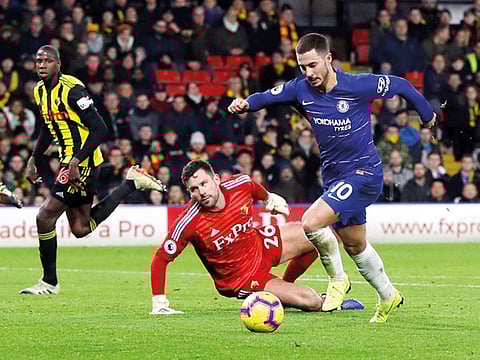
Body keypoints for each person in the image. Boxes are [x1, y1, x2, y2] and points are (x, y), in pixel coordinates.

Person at [228, 33, 436, 323]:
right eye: (303, 67)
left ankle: (338, 281)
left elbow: (401, 85)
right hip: (335, 178)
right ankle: (389, 295)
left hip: (365, 173)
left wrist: (427, 115)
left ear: (328, 59)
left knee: (311, 223)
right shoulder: (300, 89)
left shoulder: (357, 84)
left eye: (313, 65)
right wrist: (245, 104)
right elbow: (267, 97)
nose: (308, 73)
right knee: (355, 245)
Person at [20, 45, 167, 296]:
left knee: (44, 217)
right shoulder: (39, 92)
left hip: (82, 161)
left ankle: (49, 282)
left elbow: (100, 128)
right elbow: (47, 127)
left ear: (58, 64)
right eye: (38, 61)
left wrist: (76, 160)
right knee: (80, 228)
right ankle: (130, 184)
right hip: (70, 159)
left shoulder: (73, 90)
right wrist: (33, 158)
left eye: (47, 60)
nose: (42, 64)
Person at [150, 160, 364, 314]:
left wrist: (270, 198)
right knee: (310, 301)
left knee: (318, 234)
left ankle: (285, 287)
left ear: (216, 180)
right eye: (193, 190)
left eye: (204, 184)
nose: (201, 192)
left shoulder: (239, 185)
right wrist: (159, 302)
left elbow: (252, 186)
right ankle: (324, 301)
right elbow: (161, 258)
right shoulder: (189, 222)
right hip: (241, 278)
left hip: (260, 245)